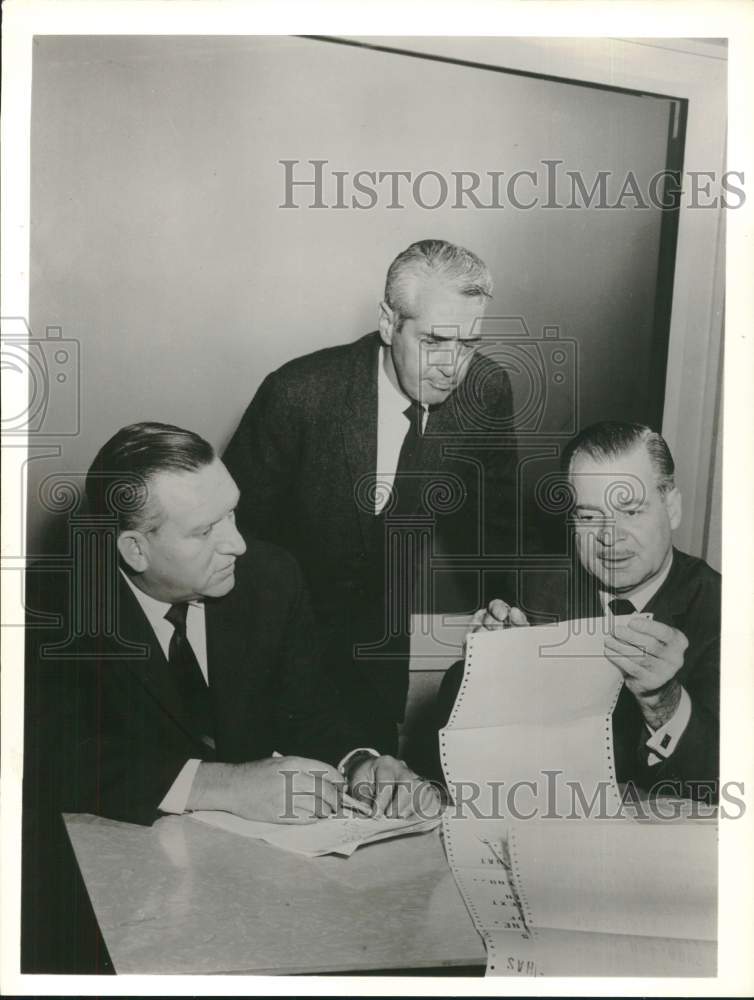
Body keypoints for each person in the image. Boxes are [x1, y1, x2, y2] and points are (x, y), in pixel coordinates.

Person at [22, 421, 436, 972]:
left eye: (233, 513)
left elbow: (312, 710)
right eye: (204, 531)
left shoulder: (270, 577)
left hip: (260, 888)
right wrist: (225, 784)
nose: (237, 543)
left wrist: (360, 762)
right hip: (115, 899)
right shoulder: (51, 606)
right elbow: (50, 755)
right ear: (134, 549)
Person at [224, 239, 518, 753]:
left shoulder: (484, 391)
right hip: (269, 661)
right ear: (388, 323)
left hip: (375, 669)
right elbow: (233, 542)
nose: (453, 366)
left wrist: (506, 606)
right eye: (434, 340)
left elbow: (501, 526)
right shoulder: (298, 393)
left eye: (468, 344)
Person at [439, 421, 720, 802]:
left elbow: (726, 784)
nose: (609, 536)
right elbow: (445, 750)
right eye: (588, 517)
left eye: (631, 511)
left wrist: (664, 702)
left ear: (671, 508)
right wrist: (491, 673)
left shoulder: (724, 610)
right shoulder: (537, 590)